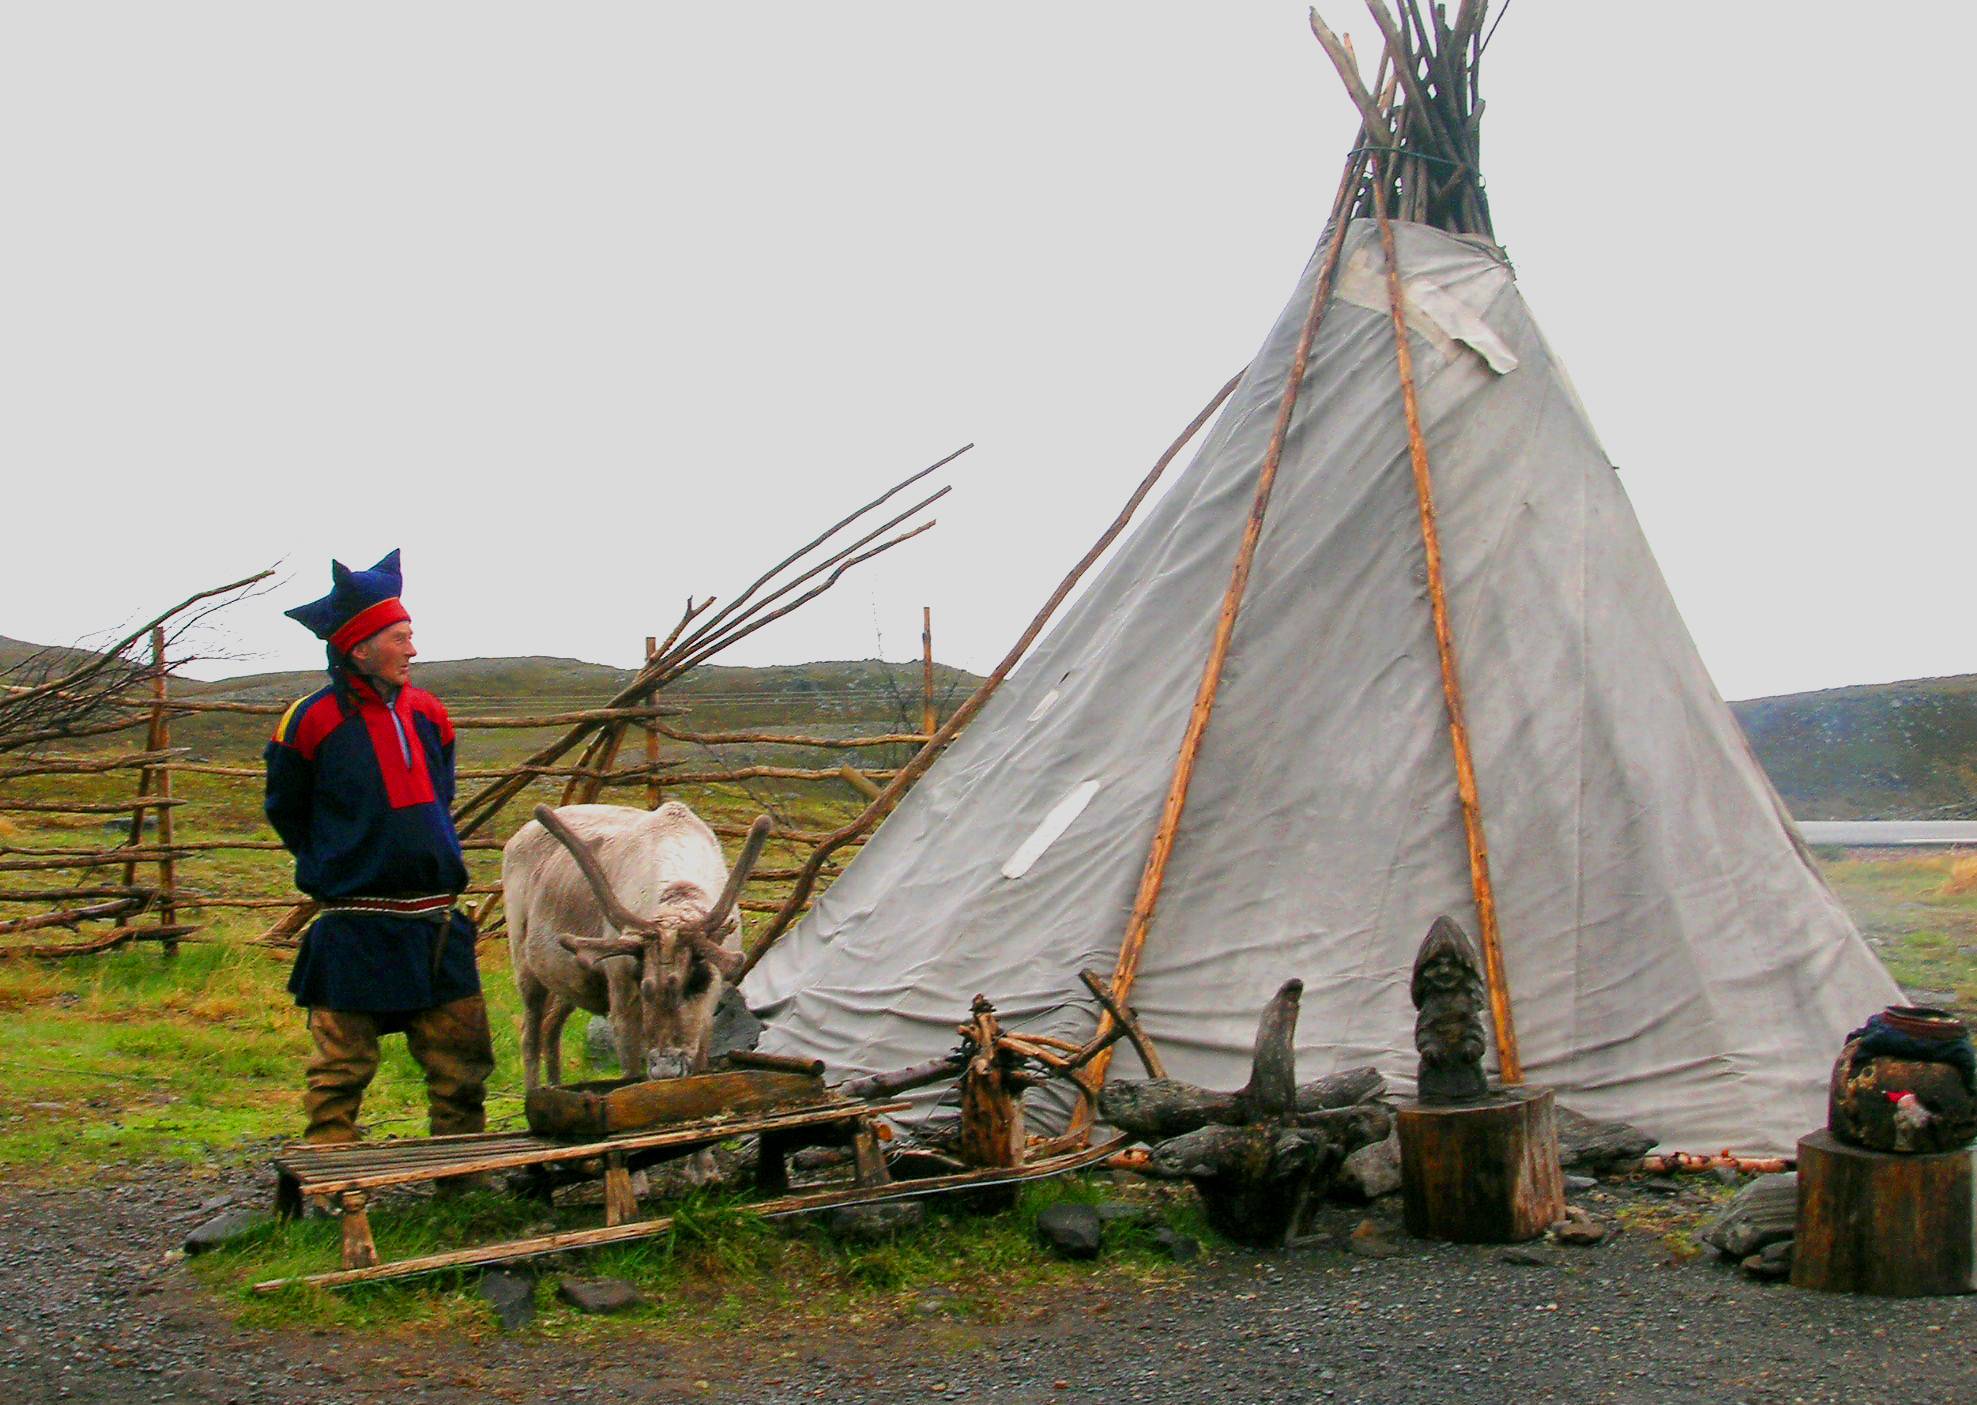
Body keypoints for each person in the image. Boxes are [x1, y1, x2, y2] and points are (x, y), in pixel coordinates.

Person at [264, 549, 494, 1145]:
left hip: (434, 923)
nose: (413, 650)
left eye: (411, 635)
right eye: (401, 637)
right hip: (354, 925)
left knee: (462, 1068)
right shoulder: (307, 722)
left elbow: (436, 796)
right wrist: (336, 862)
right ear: (359, 648)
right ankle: (334, 1181)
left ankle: (461, 1179)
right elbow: (286, 810)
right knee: (340, 1073)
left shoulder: (430, 715)